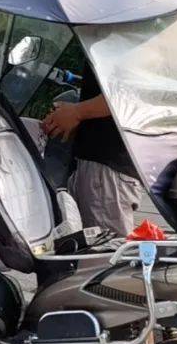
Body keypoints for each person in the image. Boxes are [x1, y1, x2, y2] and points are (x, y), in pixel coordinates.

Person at [42, 63, 144, 236]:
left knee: (104, 253)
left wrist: (77, 112)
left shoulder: (128, 43)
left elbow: (129, 93)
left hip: (107, 168)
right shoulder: (110, 43)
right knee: (83, 245)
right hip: (92, 164)